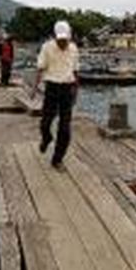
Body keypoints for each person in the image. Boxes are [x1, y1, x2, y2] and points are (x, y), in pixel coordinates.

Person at [33, 20, 79, 168]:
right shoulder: (47, 47)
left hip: (67, 89)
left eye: (65, 40)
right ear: (55, 37)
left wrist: (76, 91)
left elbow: (75, 71)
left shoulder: (73, 49)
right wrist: (35, 87)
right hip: (51, 88)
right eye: (60, 40)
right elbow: (40, 68)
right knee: (45, 123)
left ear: (69, 37)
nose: (62, 43)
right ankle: (46, 138)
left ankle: (57, 159)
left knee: (65, 128)